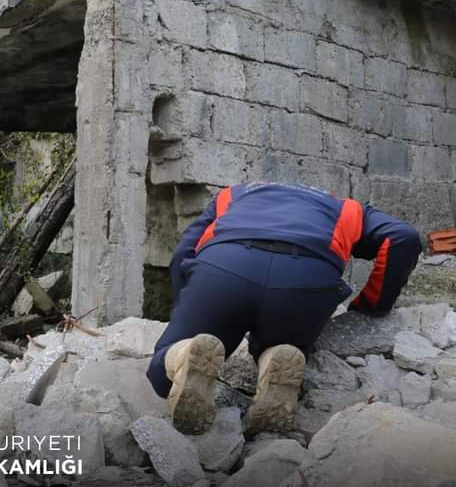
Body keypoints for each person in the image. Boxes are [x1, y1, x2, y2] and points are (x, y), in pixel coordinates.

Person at [146, 182, 420, 436]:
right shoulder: (347, 209)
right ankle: (273, 357)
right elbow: (403, 238)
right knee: (284, 342)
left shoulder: (232, 195)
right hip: (304, 283)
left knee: (162, 373)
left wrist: (189, 305)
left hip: (224, 271)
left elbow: (184, 251)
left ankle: (182, 354)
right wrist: (371, 305)